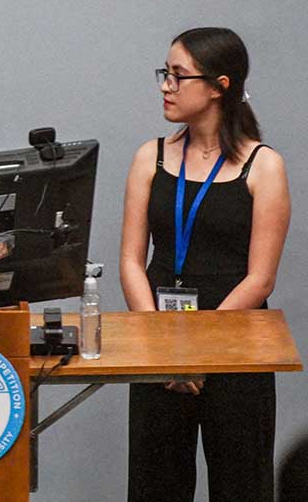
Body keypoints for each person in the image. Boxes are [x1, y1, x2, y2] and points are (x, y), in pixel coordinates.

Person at [119, 27, 290, 501]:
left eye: (178, 76)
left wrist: (199, 354)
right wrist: (164, 351)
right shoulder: (150, 157)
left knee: (241, 485)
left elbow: (261, 278)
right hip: (158, 345)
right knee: (155, 484)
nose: (166, 86)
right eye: (165, 74)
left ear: (219, 86)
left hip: (235, 345)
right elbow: (131, 260)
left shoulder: (263, 165)